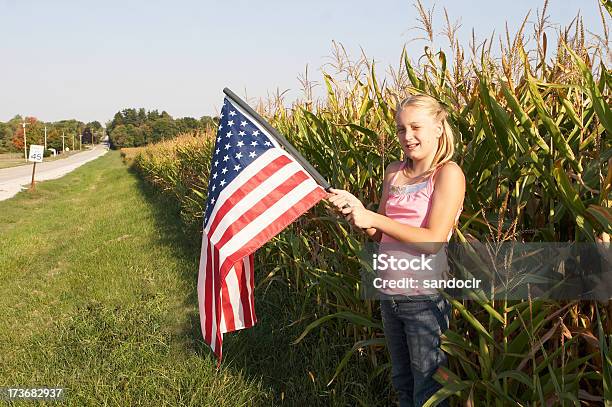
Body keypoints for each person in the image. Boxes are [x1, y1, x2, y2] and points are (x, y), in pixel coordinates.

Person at [327, 94, 465, 407]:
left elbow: (434, 240)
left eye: (416, 127)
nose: (407, 136)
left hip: (424, 299)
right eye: (401, 129)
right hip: (390, 295)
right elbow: (381, 235)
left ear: (439, 128)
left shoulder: (447, 174)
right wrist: (357, 213)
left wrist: (375, 218)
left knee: (428, 389)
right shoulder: (394, 172)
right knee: (403, 382)